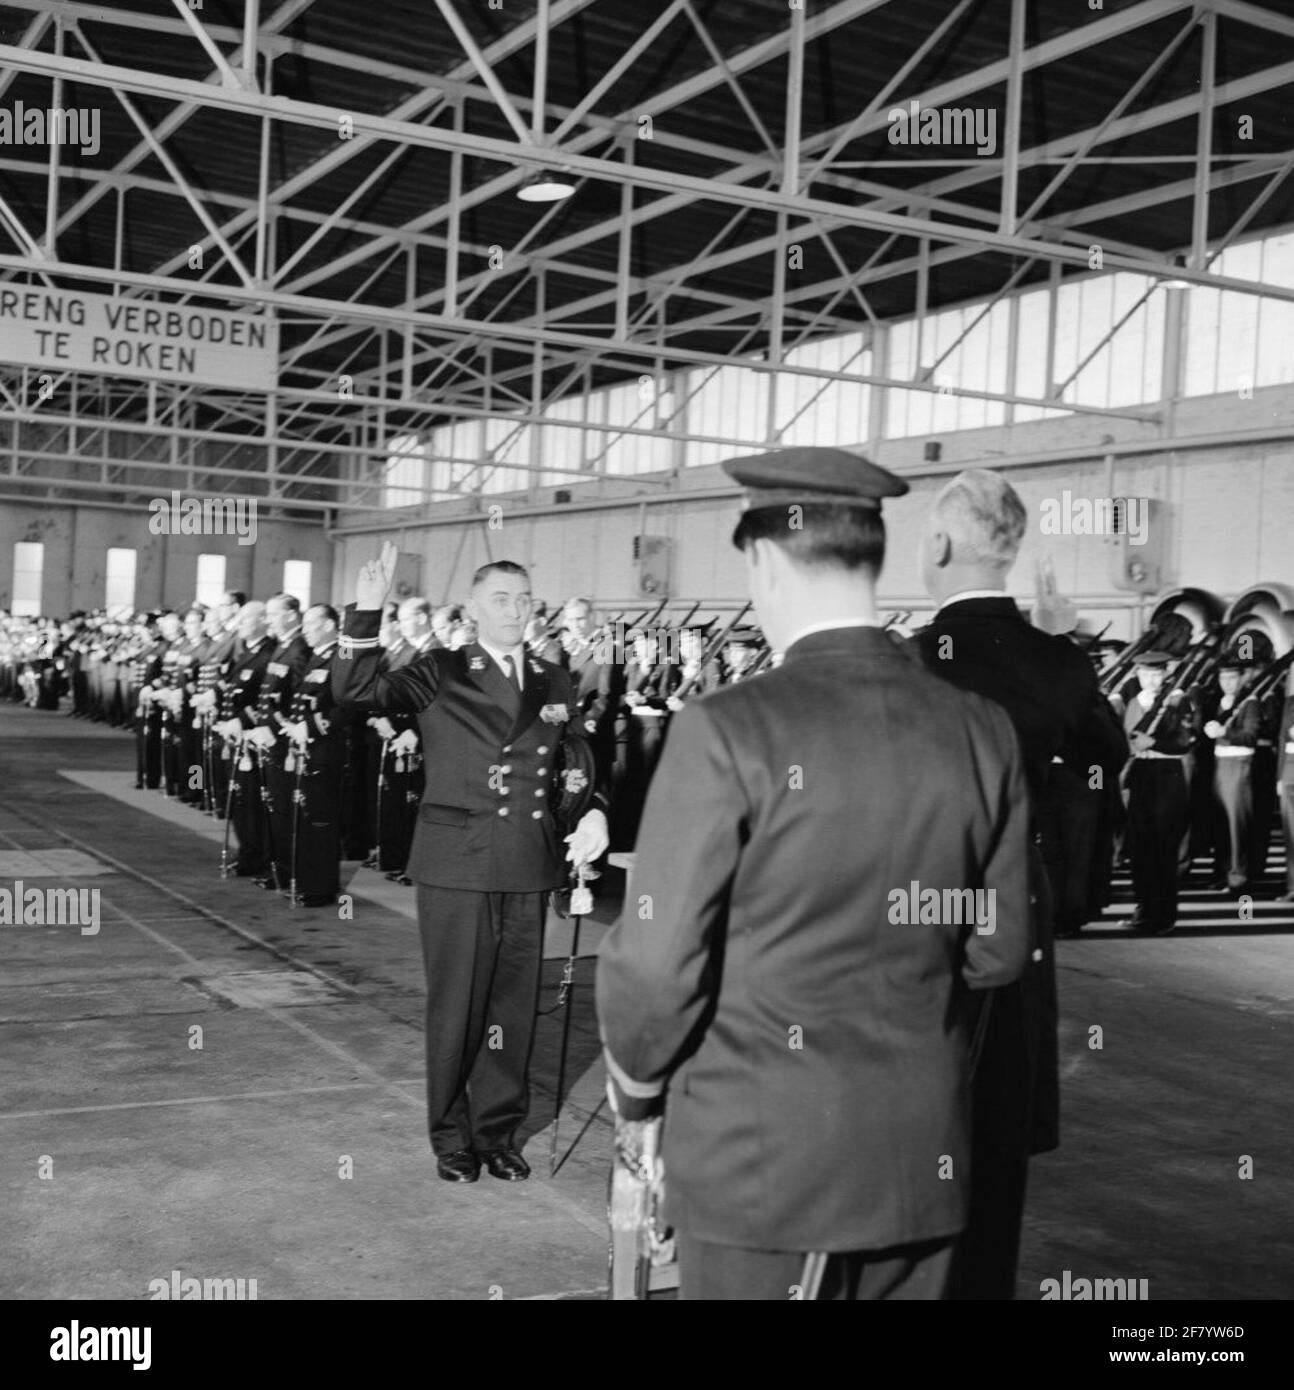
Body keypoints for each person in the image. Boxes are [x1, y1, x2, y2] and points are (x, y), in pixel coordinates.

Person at [596, 446, 1032, 1301]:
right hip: (918, 1163)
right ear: (874, 556)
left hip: (762, 1173)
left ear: (762, 560)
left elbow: (654, 968)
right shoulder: (981, 729)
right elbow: (999, 951)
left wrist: (639, 1094)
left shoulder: (727, 730)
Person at [909, 467, 1126, 1300]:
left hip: (919, 903)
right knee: (997, 1116)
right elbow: (1114, 758)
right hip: (1017, 901)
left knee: (914, 1104)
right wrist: (1066, 651)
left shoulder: (913, 660)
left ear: (937, 545)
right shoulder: (1056, 663)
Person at [334, 548, 610, 1183]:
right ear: (473, 610)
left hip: (527, 860)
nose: (515, 611)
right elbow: (354, 689)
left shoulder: (554, 679)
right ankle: (451, 1135)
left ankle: (497, 1132)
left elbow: (577, 759)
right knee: (458, 1005)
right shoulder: (441, 669)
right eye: (501, 600)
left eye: (524, 599)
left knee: (512, 1007)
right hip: (457, 859)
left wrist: (593, 811)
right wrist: (368, 611)